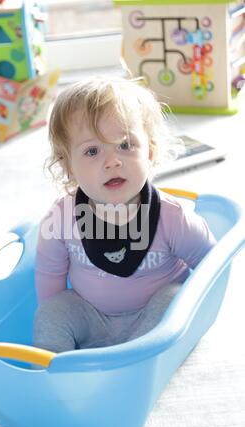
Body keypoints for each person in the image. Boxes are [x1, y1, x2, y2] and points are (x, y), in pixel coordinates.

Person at [33, 76, 216, 353]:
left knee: (174, 298)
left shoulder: (172, 217)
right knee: (51, 314)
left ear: (150, 152)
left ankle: (136, 357)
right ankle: (57, 375)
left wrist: (196, 313)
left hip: (153, 320)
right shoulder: (60, 219)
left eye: (125, 145)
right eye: (92, 151)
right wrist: (55, 317)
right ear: (68, 166)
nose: (113, 161)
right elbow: (49, 275)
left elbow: (212, 267)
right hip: (90, 315)